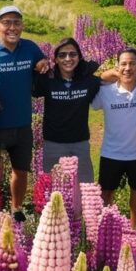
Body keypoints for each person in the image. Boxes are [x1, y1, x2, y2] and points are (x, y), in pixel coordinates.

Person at [0, 5, 45, 222]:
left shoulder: (31, 48)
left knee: (21, 171)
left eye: (16, 22)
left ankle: (16, 208)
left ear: (22, 25)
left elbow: (41, 66)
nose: (12, 27)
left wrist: (43, 64)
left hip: (22, 124)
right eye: (6, 22)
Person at [92, 47, 136, 229]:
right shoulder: (106, 91)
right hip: (111, 152)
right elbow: (88, 86)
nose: (127, 68)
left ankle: (134, 225)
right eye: (123, 64)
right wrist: (102, 76)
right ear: (117, 67)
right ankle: (104, 225)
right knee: (106, 192)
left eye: (132, 63)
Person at [32, 38, 101, 182]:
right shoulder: (47, 79)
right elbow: (29, 83)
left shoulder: (88, 80)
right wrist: (38, 66)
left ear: (79, 56)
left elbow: (109, 75)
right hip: (53, 143)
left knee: (84, 188)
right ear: (55, 59)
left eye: (72, 54)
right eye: (62, 55)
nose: (68, 59)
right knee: (53, 190)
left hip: (80, 144)